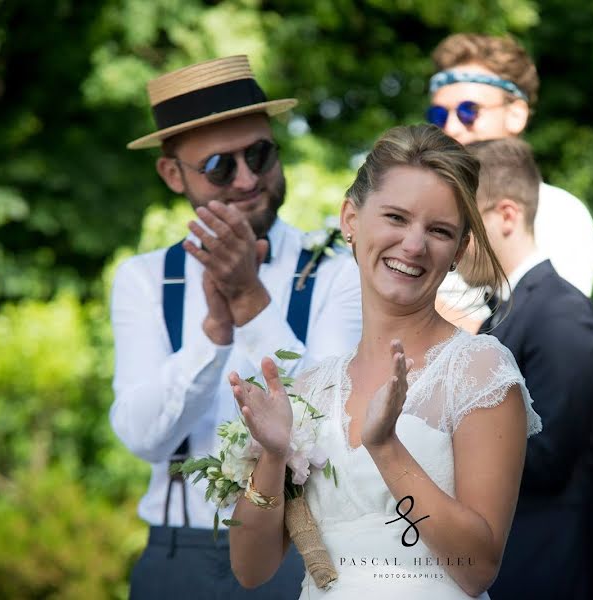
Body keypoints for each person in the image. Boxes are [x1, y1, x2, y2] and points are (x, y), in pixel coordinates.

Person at [226, 124, 542, 599]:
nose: (414, 246)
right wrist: (272, 456)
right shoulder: (311, 391)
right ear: (350, 219)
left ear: (457, 251)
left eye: (438, 231)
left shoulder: (480, 372)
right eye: (396, 217)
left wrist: (386, 446)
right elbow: (251, 570)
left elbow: (477, 568)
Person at [110, 55, 362, 599]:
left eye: (261, 154)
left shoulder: (338, 275)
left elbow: (333, 426)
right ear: (173, 174)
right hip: (177, 553)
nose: (248, 179)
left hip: (301, 550)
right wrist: (212, 335)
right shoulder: (144, 280)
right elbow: (141, 437)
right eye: (221, 166)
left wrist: (251, 301)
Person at [462, 138, 593, 598]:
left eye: (464, 225)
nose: (452, 243)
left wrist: (442, 437)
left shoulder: (561, 315)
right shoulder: (502, 316)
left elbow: (547, 458)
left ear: (507, 216)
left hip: (553, 570)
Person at [427, 33, 593, 330]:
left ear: (515, 114)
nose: (451, 127)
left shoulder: (561, 214)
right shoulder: (417, 206)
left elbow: (544, 333)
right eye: (439, 114)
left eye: (469, 111)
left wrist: (406, 300)